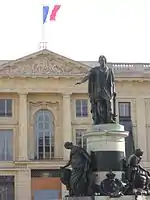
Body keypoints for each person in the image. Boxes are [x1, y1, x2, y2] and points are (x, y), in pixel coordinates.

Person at [76, 55, 115, 124]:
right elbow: (88, 76)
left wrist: (113, 91)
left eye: (103, 60)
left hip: (106, 91)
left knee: (109, 104)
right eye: (100, 60)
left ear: (105, 61)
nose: (101, 62)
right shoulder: (95, 70)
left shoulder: (109, 70)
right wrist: (81, 81)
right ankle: (100, 120)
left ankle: (109, 118)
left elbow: (112, 82)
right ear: (99, 62)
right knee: (99, 107)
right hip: (98, 91)